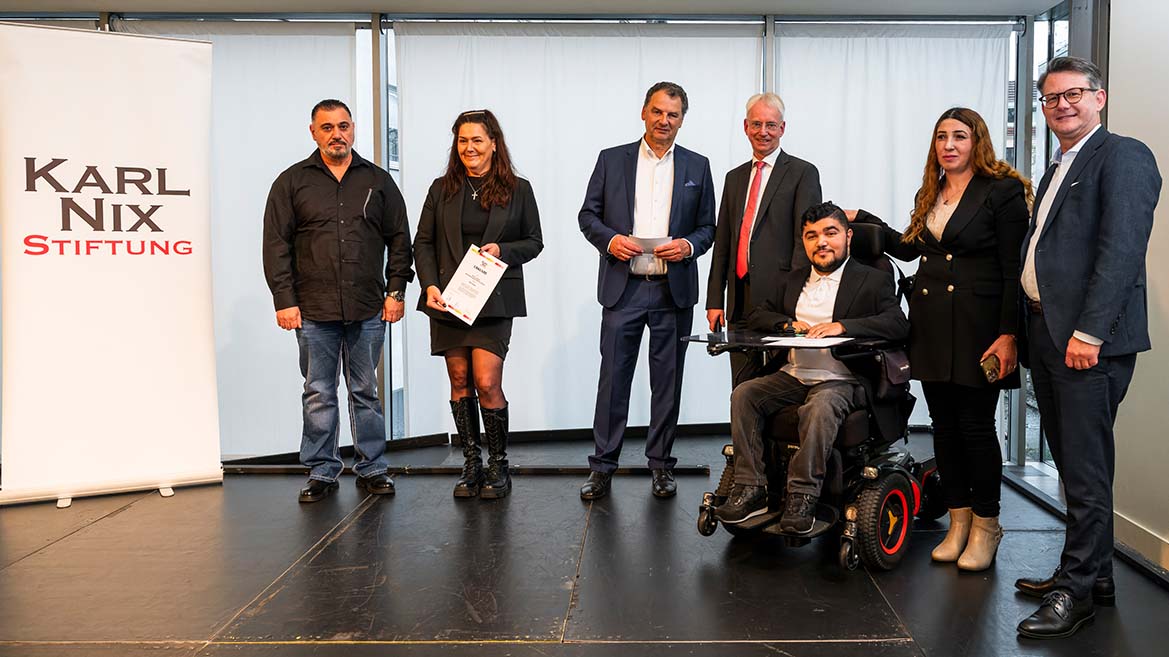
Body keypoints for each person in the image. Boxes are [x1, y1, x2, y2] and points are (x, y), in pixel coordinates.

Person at [1013, 57, 1160, 640]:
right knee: (1076, 465)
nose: (1062, 105)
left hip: (1085, 343)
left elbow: (1121, 252)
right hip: (1050, 336)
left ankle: (1074, 593)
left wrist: (1090, 333)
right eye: (1051, 98)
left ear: (1100, 97)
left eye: (1074, 93)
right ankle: (1095, 578)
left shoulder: (1123, 155)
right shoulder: (1058, 165)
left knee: (1086, 468)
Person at [848, 107, 1031, 571]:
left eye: (959, 136)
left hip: (979, 329)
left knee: (976, 428)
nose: (949, 145)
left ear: (977, 141)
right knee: (943, 429)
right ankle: (958, 521)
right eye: (942, 137)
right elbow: (910, 248)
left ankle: (986, 526)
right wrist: (862, 218)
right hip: (930, 326)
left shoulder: (1001, 191)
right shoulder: (932, 190)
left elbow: (1013, 270)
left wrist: (1009, 334)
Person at [715, 202, 909, 531]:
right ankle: (751, 487)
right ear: (804, 242)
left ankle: (803, 494)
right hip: (794, 375)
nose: (821, 242)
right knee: (745, 394)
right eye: (812, 236)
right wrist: (786, 324)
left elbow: (897, 324)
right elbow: (758, 315)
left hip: (843, 378)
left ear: (848, 236)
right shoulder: (792, 280)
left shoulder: (872, 280)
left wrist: (843, 327)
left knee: (820, 406)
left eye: (830, 233)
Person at [263, 99, 414, 503]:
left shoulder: (378, 182)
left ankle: (373, 467)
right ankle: (322, 470)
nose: (336, 134)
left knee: (366, 391)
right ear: (313, 132)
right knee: (319, 392)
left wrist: (396, 291)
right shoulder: (291, 183)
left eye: (343, 126)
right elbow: (276, 246)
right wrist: (284, 299)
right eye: (327, 127)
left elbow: (400, 240)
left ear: (353, 129)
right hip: (313, 309)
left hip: (368, 307)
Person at [577, 81, 716, 500]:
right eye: (657, 111)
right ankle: (603, 466)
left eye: (673, 114)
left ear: (682, 120)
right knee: (613, 380)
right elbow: (588, 216)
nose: (664, 121)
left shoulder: (698, 166)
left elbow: (708, 227)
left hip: (673, 290)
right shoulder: (611, 159)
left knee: (667, 384)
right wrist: (610, 241)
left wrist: (688, 245)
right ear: (643, 112)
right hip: (624, 287)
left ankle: (661, 465)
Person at [414, 109, 543, 500]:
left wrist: (503, 250)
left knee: (487, 382)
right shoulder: (441, 189)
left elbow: (534, 242)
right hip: (448, 300)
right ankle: (471, 463)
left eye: (477, 140)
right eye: (462, 140)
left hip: (495, 300)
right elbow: (423, 242)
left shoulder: (519, 189)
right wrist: (429, 285)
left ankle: (498, 464)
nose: (469, 147)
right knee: (459, 380)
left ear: (494, 143)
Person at [706, 93, 822, 388]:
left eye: (771, 125)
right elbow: (723, 242)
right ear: (745, 127)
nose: (763, 132)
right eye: (756, 124)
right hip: (739, 301)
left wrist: (795, 299)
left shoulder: (802, 173)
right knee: (741, 387)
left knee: (776, 386)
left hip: (779, 301)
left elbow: (805, 241)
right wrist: (715, 300)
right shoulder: (734, 178)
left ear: (782, 128)